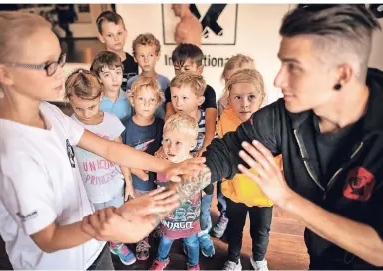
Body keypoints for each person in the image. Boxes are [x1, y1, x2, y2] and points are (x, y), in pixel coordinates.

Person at [99, 4, 383, 270]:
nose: (278, 80)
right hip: (321, 255)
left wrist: (287, 199)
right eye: (282, 64)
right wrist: (159, 209)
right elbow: (224, 154)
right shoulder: (285, 116)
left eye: (294, 67)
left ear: (343, 75)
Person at [0, 11, 204, 270]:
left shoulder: (48, 111)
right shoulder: (10, 156)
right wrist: (111, 222)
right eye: (48, 65)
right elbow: (48, 239)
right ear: (5, 74)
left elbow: (107, 147)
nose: (61, 72)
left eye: (59, 59)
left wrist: (167, 166)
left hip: (91, 246)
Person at [65, 69, 137, 266]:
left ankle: (115, 243)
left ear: (100, 97)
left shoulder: (111, 121)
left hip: (114, 186)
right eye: (79, 108)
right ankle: (98, 248)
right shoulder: (67, 126)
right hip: (89, 192)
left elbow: (122, 153)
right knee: (95, 224)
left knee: (114, 219)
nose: (86, 114)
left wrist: (129, 183)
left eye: (91, 106)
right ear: (69, 101)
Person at [218, 69, 281, 271]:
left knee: (261, 231)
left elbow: (280, 159)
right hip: (235, 191)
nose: (244, 103)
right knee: (234, 229)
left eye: (251, 97)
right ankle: (233, 259)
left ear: (262, 97)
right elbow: (221, 151)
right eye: (238, 97)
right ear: (229, 98)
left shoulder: (273, 122)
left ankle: (258, 258)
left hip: (263, 195)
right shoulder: (225, 119)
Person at [169, 73, 216, 257]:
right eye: (174, 97)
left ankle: (204, 234)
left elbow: (212, 150)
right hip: (181, 176)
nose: (178, 103)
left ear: (199, 100)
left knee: (204, 210)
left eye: (184, 98)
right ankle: (185, 234)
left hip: (203, 177)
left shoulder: (206, 119)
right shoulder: (173, 121)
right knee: (184, 209)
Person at [212, 54, 256, 239]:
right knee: (224, 190)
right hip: (227, 154)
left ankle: (240, 219)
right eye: (231, 79)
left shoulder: (256, 102)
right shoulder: (222, 102)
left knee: (243, 191)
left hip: (246, 155)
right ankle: (224, 215)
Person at [150, 113, 202, 270]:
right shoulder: (160, 160)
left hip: (190, 219)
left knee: (192, 242)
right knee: (165, 240)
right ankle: (161, 259)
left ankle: (194, 264)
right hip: (167, 218)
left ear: (192, 145)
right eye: (167, 140)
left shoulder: (195, 165)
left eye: (178, 142)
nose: (171, 148)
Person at [122, 76, 165, 261]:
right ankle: (142, 239)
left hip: (156, 183)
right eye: (141, 99)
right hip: (138, 183)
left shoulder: (161, 126)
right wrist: (135, 171)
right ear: (132, 100)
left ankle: (153, 228)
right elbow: (118, 156)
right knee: (139, 213)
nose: (146, 105)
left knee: (154, 209)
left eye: (151, 100)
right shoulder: (124, 126)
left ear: (158, 103)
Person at [164, 43, 217, 157]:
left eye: (187, 69)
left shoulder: (208, 91)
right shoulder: (171, 89)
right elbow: (169, 115)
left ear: (199, 69)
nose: (182, 73)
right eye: (177, 69)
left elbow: (210, 121)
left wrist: (205, 147)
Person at [127, 33, 170, 119]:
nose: (146, 60)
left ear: (157, 56)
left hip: (160, 126)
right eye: (141, 56)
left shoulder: (165, 82)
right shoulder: (131, 82)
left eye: (150, 55)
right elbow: (131, 109)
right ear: (135, 58)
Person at [96, 10, 138, 90]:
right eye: (110, 35)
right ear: (101, 38)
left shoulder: (135, 62)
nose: (116, 39)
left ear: (125, 33)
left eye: (119, 33)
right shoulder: (98, 66)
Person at [90, 51, 132, 121]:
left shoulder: (130, 99)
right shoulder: (94, 102)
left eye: (118, 72)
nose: (114, 79)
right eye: (107, 75)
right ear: (99, 78)